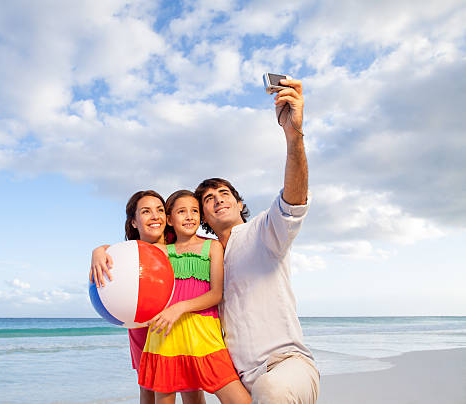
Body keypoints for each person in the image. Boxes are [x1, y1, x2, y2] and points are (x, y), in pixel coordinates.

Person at [193, 78, 319, 403]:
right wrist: (102, 251)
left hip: (287, 368)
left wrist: (294, 137)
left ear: (239, 204)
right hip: (240, 383)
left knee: (271, 390)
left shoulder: (262, 231)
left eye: (225, 193)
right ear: (203, 216)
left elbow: (293, 201)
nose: (218, 199)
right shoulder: (206, 259)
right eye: (208, 198)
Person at [89, 190, 205, 404]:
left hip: (177, 324)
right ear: (133, 222)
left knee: (191, 389)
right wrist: (98, 250)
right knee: (148, 388)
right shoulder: (129, 253)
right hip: (141, 326)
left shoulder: (177, 245)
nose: (155, 216)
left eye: (160, 210)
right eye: (146, 211)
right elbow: (113, 252)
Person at [138, 190, 250, 404]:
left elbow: (216, 294)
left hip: (205, 336)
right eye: (181, 211)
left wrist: (178, 308)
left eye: (194, 211)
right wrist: (98, 252)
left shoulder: (212, 247)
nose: (189, 216)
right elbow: (125, 252)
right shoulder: (159, 251)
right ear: (169, 219)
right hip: (165, 337)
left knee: (239, 399)